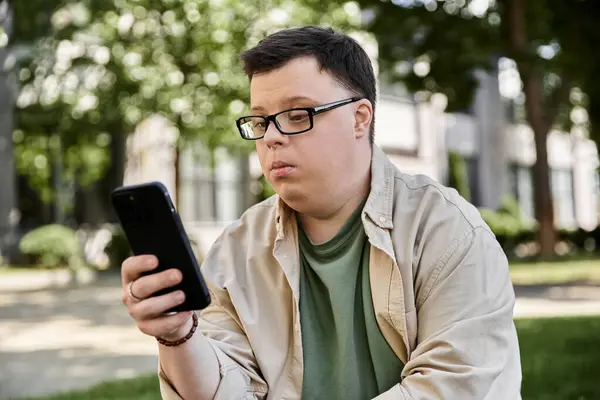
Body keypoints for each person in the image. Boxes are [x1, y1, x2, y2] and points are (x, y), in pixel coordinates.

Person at [120, 26, 522, 399]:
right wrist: (178, 335)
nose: (273, 136)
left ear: (360, 118)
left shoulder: (446, 231)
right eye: (260, 121)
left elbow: (453, 386)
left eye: (298, 115)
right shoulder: (236, 251)